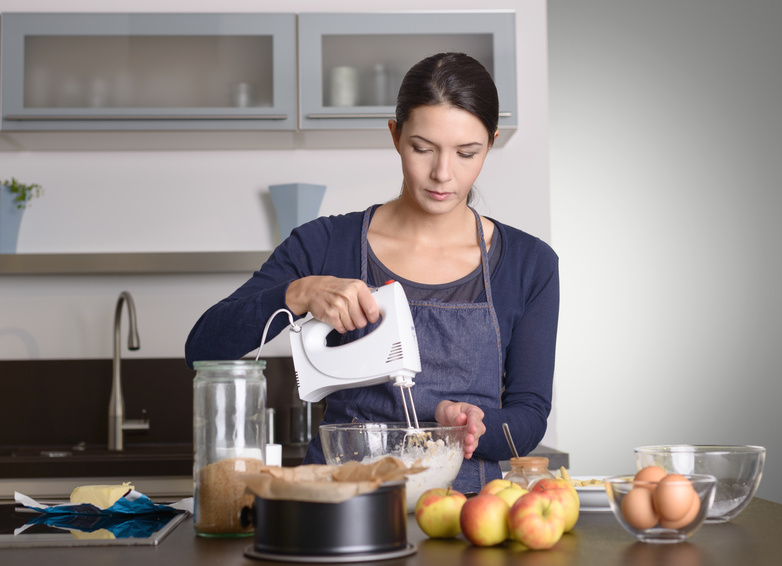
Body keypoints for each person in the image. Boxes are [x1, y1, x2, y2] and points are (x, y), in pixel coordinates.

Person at [185, 52, 559, 494]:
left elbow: (529, 414)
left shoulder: (529, 263)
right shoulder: (325, 244)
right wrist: (295, 294)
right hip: (339, 505)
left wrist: (478, 426)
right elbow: (202, 348)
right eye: (423, 148)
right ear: (395, 135)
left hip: (464, 514)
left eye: (466, 153)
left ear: (490, 144)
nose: (443, 174)